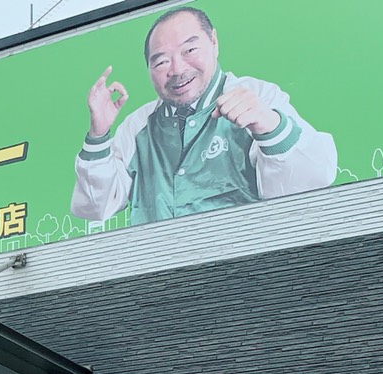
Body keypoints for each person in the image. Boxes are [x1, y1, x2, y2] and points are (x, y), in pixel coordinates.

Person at [71, 6, 337, 225]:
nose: (177, 69)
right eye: (161, 61)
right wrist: (98, 134)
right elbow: (95, 207)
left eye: (189, 50)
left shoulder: (257, 97)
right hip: (159, 271)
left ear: (214, 42)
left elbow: (310, 184)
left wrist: (270, 127)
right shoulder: (137, 126)